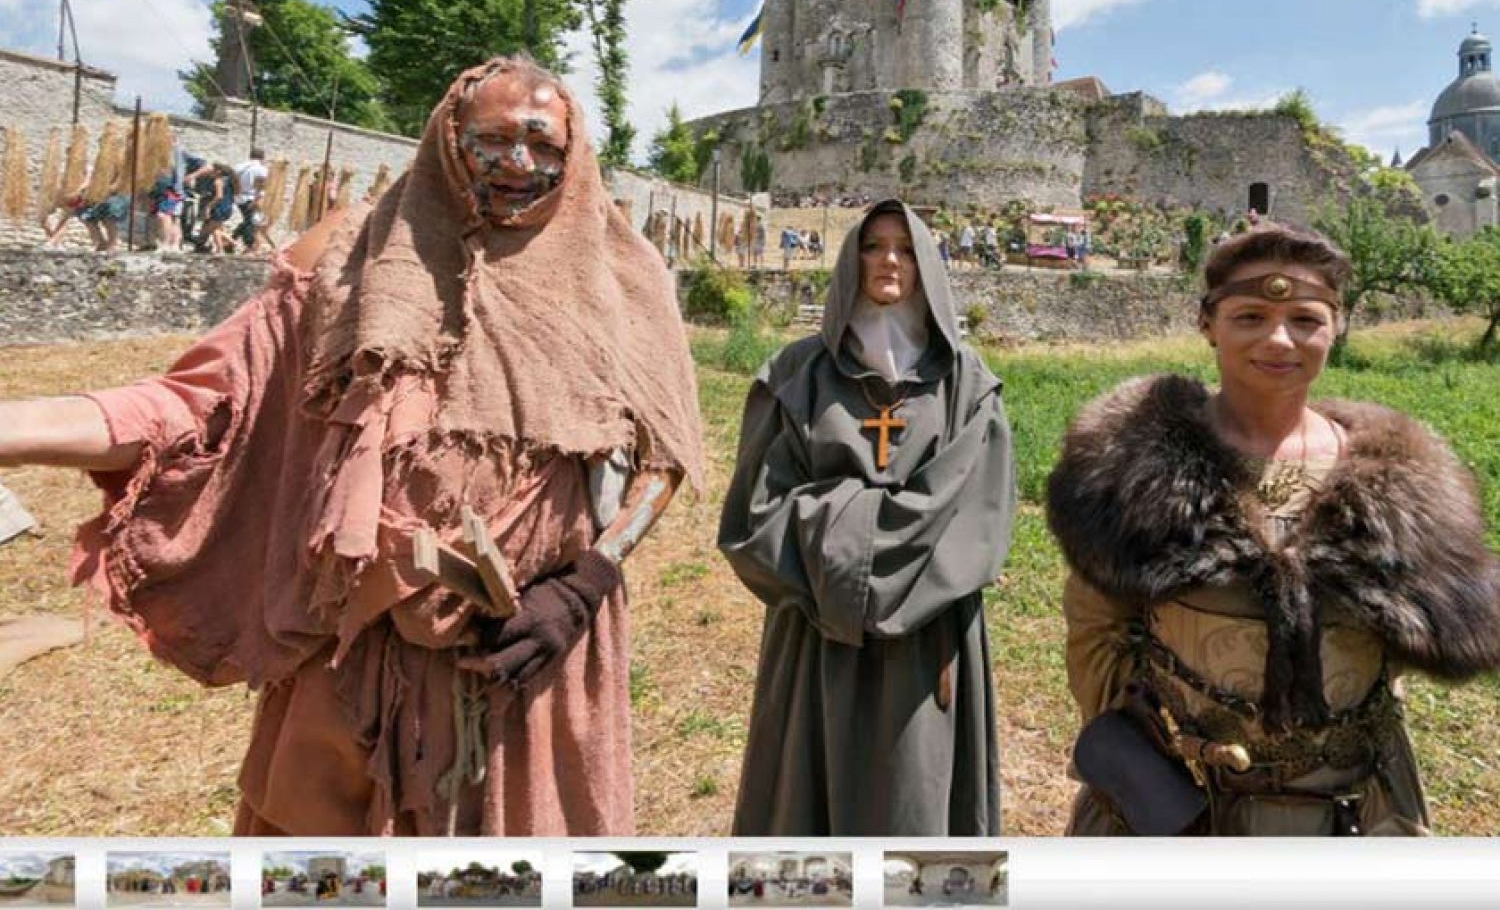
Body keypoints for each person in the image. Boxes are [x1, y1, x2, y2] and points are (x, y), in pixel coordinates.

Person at [0, 56, 703, 835]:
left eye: (544, 145)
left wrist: (583, 585)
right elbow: (202, 403)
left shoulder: (618, 272)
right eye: (495, 138)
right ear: (449, 136)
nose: (518, 161)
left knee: (512, 862)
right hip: (357, 649)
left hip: (530, 648)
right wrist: (20, 428)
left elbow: (662, 457)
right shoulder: (357, 249)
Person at [1047, 224, 1500, 836]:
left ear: (1336, 326)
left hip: (1355, 809)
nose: (1280, 339)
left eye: (1306, 319)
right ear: (1208, 323)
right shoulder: (1130, 468)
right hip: (1184, 807)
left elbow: (1418, 644)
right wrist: (1156, 762)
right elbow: (1097, 631)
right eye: (1251, 316)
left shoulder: (1406, 490)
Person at [719, 199, 1016, 834]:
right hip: (817, 635)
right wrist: (862, 565)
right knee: (809, 809)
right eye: (874, 246)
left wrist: (840, 546)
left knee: (915, 801)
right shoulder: (796, 375)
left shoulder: (967, 384)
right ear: (851, 258)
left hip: (926, 636)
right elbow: (754, 515)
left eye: (906, 249)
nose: (889, 261)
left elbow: (974, 515)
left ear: (927, 264)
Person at [233, 147, 269, 251]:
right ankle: (248, 244)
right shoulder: (261, 169)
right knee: (251, 222)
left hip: (239, 197)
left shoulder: (238, 167)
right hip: (252, 197)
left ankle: (233, 238)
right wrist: (256, 200)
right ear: (262, 157)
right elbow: (262, 186)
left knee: (248, 220)